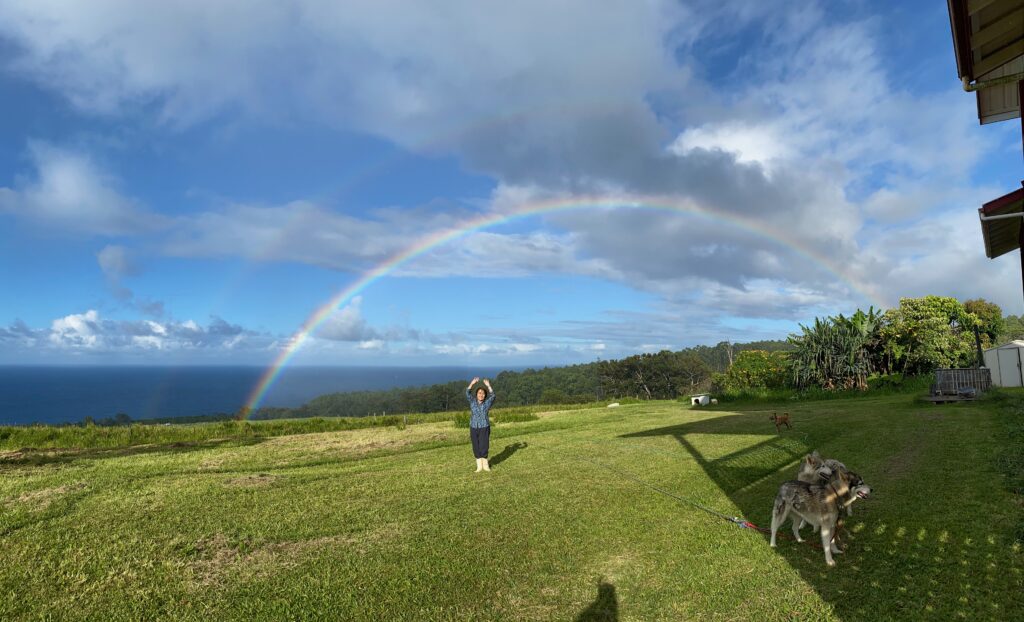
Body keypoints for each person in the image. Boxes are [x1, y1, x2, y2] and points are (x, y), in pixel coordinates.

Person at [466, 376, 495, 472]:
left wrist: (488, 385)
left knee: (484, 445)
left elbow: (493, 396)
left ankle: (485, 465)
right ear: (476, 394)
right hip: (473, 426)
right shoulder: (472, 402)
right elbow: (467, 392)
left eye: (483, 393)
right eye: (479, 393)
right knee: (476, 446)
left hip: (484, 427)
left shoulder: (487, 403)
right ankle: (479, 466)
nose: (481, 395)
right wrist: (472, 383)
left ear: (485, 395)